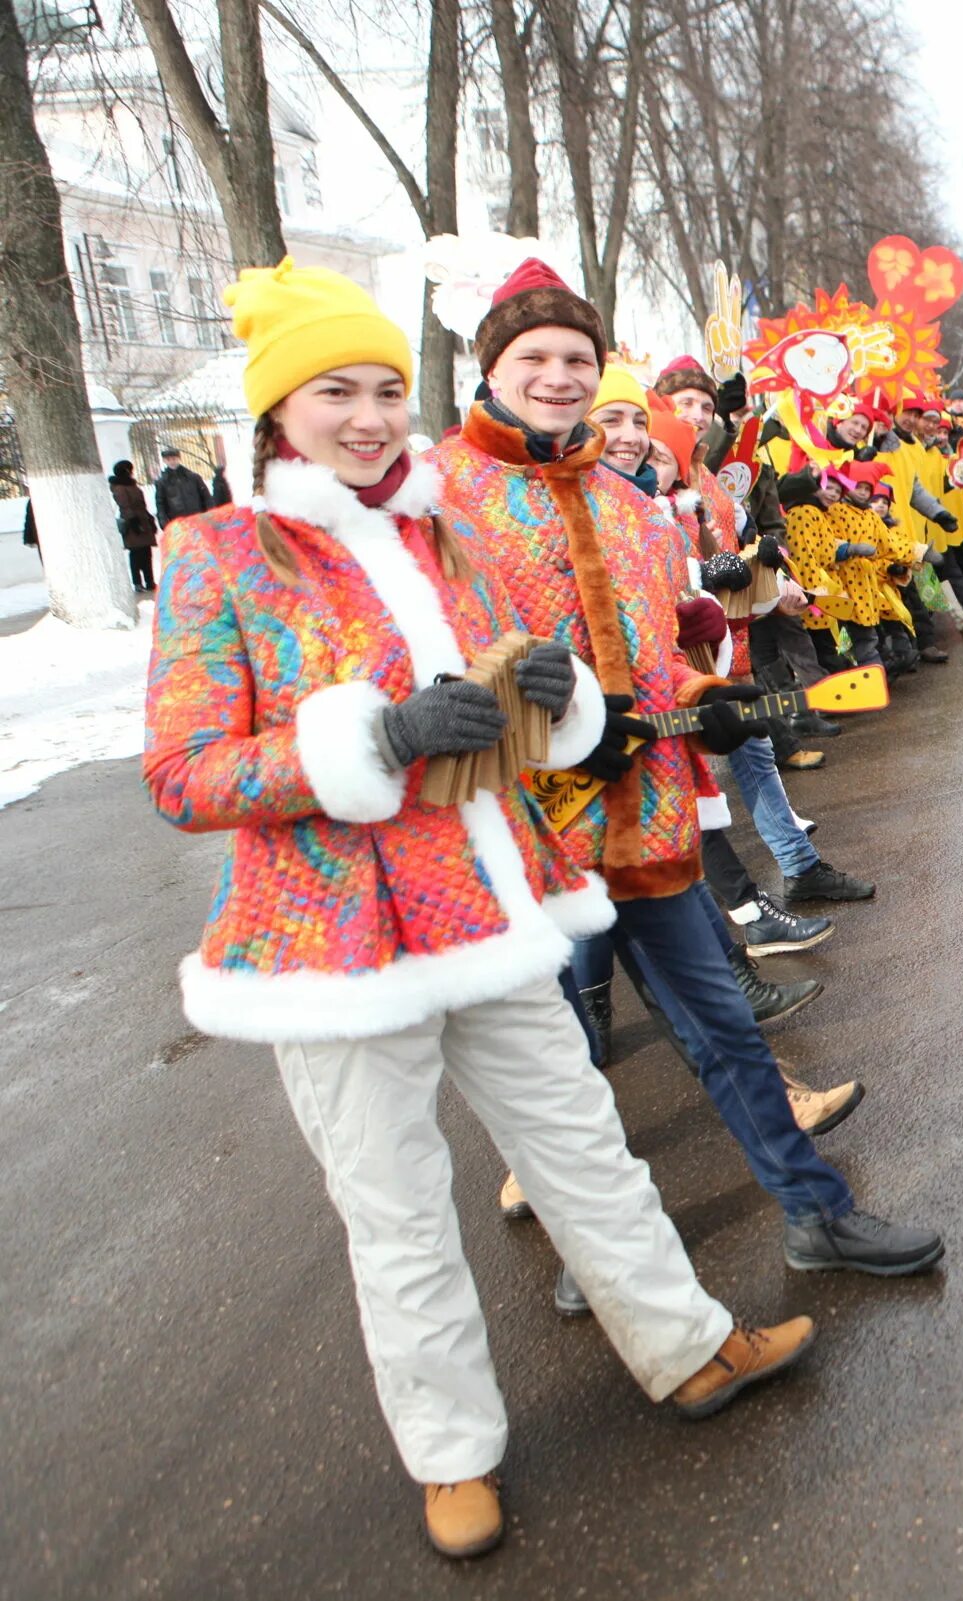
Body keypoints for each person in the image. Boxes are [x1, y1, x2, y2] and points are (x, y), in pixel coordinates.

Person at [145, 260, 814, 1560]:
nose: (370, 414)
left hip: (485, 906)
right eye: (336, 390)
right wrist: (371, 739)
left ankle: (683, 1344)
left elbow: (529, 718)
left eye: (387, 387)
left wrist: (554, 696)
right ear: (282, 412)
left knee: (585, 1149)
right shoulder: (215, 551)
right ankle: (453, 1455)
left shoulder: (443, 535)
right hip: (332, 953)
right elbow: (182, 773)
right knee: (396, 1212)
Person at [430, 259, 943, 1285]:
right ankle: (603, 1251)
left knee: (725, 1026)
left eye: (577, 356)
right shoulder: (441, 494)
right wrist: (548, 718)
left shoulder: (627, 507)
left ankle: (817, 1211)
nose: (558, 374)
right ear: (490, 367)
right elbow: (430, 661)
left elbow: (661, 645)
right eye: (533, 356)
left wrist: (707, 702)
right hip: (519, 834)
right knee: (554, 1066)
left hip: (647, 817)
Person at [109, 461, 158, 591]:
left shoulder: (132, 485)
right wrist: (134, 521)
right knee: (136, 555)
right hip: (133, 524)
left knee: (146, 553)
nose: (132, 472)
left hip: (143, 521)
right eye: (130, 470)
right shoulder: (120, 487)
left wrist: (149, 519)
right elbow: (124, 505)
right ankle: (137, 582)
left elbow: (142, 505)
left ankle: (149, 581)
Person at [152, 444, 213, 528]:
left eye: (174, 459)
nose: (172, 462)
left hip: (198, 519)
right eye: (168, 459)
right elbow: (160, 504)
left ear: (179, 459)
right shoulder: (162, 482)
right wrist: (164, 523)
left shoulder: (193, 477)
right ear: (164, 461)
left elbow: (206, 496)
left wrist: (210, 513)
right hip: (178, 523)